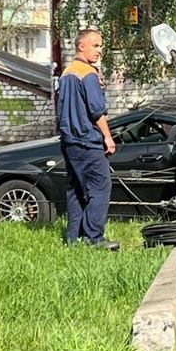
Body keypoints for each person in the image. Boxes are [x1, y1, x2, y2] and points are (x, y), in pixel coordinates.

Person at [57, 29, 118, 250]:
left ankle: (73, 238)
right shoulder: (88, 74)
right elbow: (96, 111)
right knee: (101, 187)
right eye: (96, 46)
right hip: (88, 141)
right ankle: (95, 238)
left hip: (69, 141)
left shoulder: (68, 72)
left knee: (75, 188)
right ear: (81, 46)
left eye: (101, 46)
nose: (100, 51)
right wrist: (108, 137)